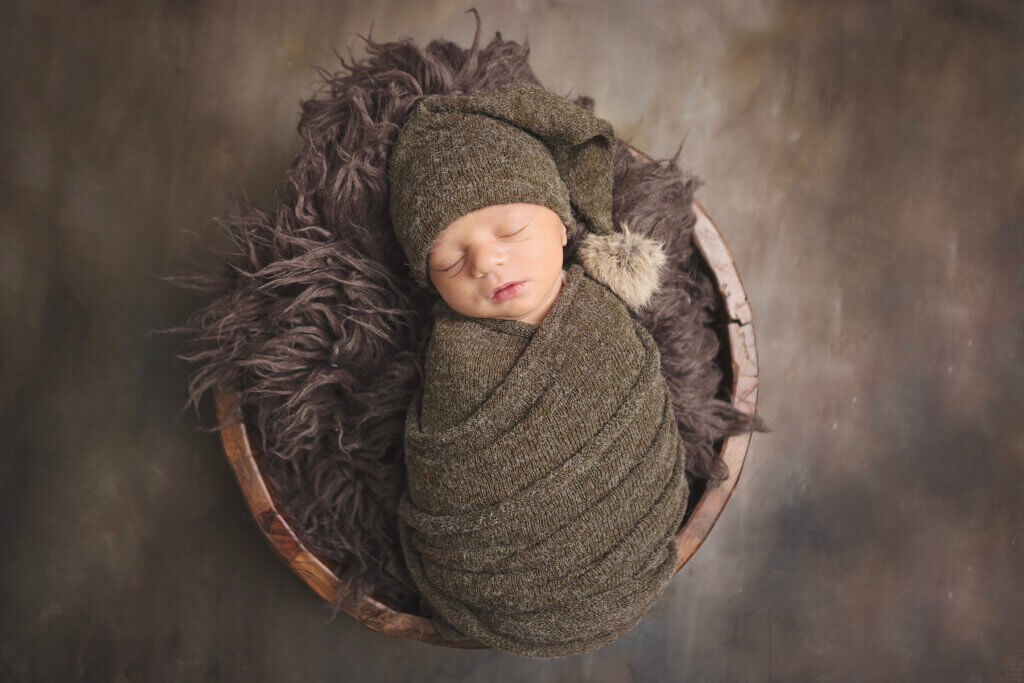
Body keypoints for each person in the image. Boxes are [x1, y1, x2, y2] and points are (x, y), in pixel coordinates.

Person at [386, 82, 689, 658]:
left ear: (562, 223)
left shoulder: (602, 314)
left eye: (511, 230)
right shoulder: (454, 355)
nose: (485, 262)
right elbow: (447, 472)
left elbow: (643, 405)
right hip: (498, 572)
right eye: (449, 259)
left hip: (628, 531)